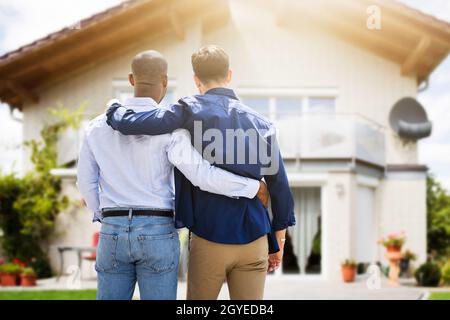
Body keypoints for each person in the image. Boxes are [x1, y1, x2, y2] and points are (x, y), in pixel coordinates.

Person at [106, 45, 295, 300]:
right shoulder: (262, 124)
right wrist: (278, 244)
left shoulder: (188, 109)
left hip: (209, 236)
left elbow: (138, 124)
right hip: (255, 238)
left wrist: (114, 110)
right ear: (229, 75)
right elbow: (280, 186)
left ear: (196, 80)